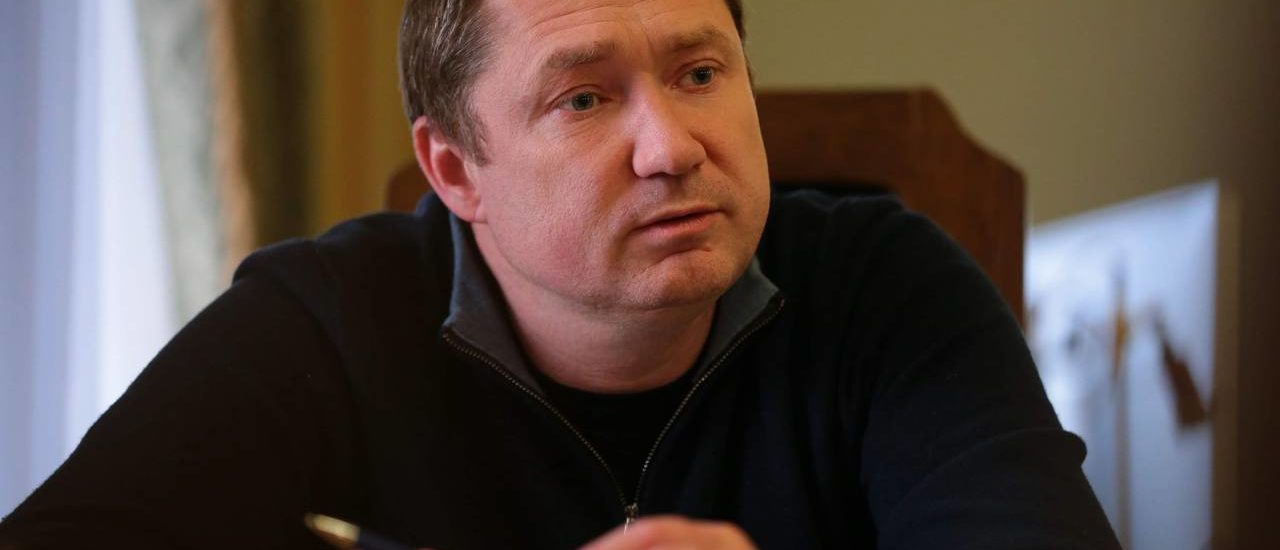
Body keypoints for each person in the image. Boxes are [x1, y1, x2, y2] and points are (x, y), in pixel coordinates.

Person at [0, 0, 1120, 548]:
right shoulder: (324, 322)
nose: (670, 147)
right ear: (455, 168)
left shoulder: (887, 284)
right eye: (584, 98)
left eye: (699, 72)